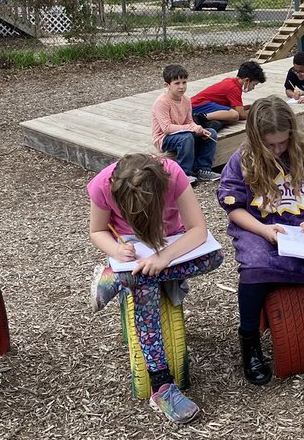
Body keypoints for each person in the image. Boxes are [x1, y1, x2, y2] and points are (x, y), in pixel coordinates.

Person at [88, 152, 224, 424]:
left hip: (172, 241)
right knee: (145, 295)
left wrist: (163, 258)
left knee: (214, 257)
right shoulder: (103, 184)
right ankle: (161, 386)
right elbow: (97, 231)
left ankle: (120, 277)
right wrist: (116, 249)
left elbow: (198, 230)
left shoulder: (173, 174)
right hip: (132, 248)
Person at [217, 96, 304, 385]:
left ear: (291, 134)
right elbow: (233, 207)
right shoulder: (243, 159)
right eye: (269, 144)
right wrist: (262, 230)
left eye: (282, 143)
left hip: (300, 227)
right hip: (256, 227)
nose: (277, 149)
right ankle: (249, 341)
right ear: (256, 138)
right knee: (256, 266)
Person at [150, 63, 220, 182]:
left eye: (184, 82)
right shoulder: (162, 102)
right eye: (177, 83)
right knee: (186, 138)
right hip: (164, 138)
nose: (181, 86)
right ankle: (184, 174)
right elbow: (166, 128)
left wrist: (198, 128)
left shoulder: (186, 100)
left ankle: (203, 169)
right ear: (167, 85)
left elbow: (189, 121)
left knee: (211, 132)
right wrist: (191, 128)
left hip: (183, 132)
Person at [191, 60, 267, 129]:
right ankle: (200, 118)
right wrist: (256, 114)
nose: (253, 88)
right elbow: (241, 114)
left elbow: (237, 108)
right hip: (197, 105)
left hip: (200, 105)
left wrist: (250, 107)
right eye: (254, 84)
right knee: (234, 115)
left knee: (230, 116)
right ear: (247, 80)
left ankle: (210, 122)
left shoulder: (231, 82)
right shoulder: (233, 88)